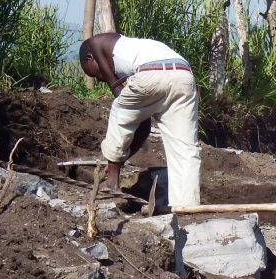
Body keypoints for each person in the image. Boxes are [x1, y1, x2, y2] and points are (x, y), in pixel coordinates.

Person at [78, 33, 201, 207]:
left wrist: (113, 164)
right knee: (184, 149)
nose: (99, 79)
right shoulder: (137, 49)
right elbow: (143, 127)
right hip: (183, 75)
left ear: (90, 58)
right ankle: (187, 207)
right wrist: (118, 161)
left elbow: (119, 97)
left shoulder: (96, 42)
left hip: (153, 73)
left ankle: (112, 182)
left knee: (119, 112)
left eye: (93, 74)